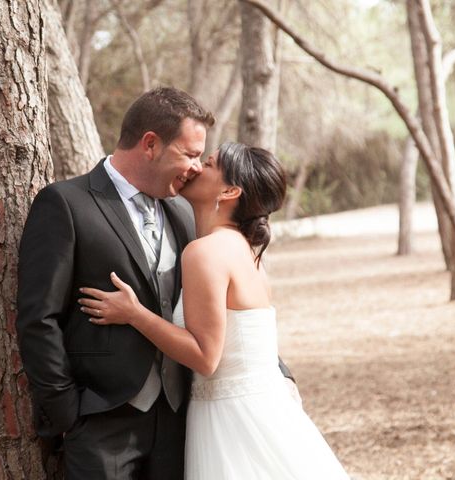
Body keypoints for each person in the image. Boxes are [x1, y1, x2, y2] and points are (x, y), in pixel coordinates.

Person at [16, 87, 295, 480]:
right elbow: (38, 318)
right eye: (191, 153)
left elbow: (227, 310)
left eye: (203, 158)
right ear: (150, 144)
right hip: (101, 422)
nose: (196, 168)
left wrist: (273, 375)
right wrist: (66, 413)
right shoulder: (66, 204)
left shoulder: (185, 212)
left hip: (182, 422)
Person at [79, 142, 350, 479]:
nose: (195, 168)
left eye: (207, 164)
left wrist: (135, 314)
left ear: (230, 190)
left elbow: (206, 357)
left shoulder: (206, 252)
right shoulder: (247, 253)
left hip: (233, 421)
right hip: (262, 409)